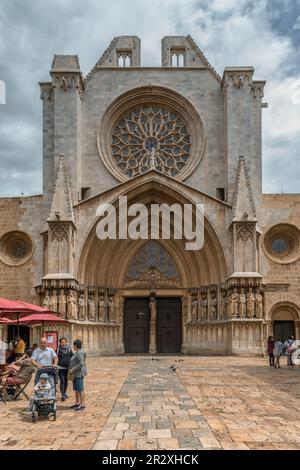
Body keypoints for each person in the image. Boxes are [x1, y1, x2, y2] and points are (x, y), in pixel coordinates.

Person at [69, 339, 87, 412]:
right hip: (76, 374)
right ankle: (77, 403)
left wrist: (73, 369)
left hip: (78, 373)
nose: (73, 346)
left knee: (80, 389)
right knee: (76, 389)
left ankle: (82, 405)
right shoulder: (78, 352)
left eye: (73, 345)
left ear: (75, 345)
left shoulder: (79, 353)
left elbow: (81, 363)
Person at [57, 337, 73, 401]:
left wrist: (71, 365)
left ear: (66, 342)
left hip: (67, 368)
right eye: (62, 342)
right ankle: (62, 395)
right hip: (60, 368)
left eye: (64, 342)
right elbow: (55, 357)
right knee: (62, 381)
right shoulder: (58, 349)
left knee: (66, 381)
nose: (63, 343)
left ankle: (65, 392)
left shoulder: (69, 349)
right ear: (60, 343)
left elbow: (72, 357)